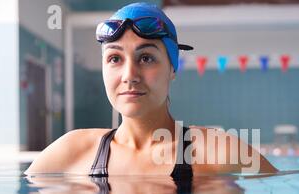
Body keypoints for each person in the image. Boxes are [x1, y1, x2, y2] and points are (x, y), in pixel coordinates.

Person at [24, 2, 278, 178]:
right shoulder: (71, 151)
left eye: (146, 58)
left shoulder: (221, 152)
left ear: (172, 68)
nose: (129, 76)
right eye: (115, 59)